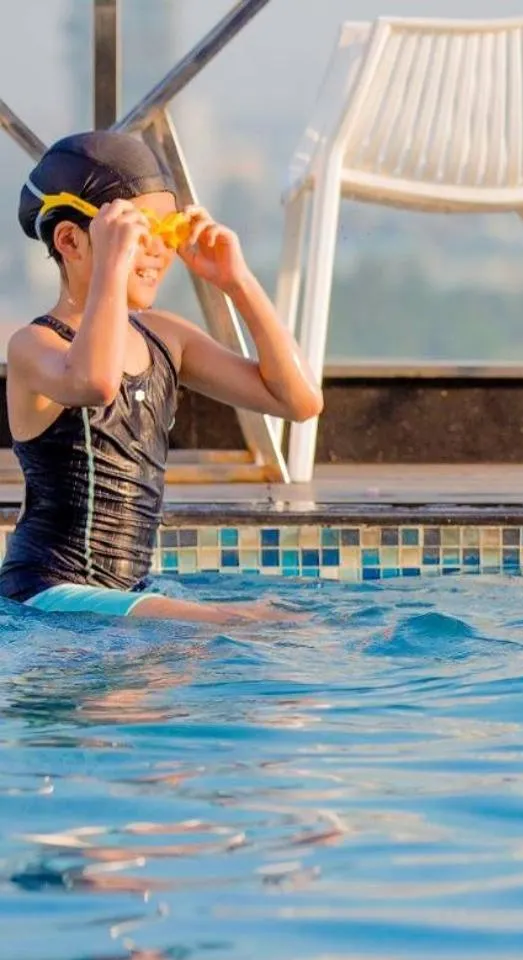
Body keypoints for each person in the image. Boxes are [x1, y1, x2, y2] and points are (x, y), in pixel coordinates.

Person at [1, 131, 323, 622]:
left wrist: (236, 281)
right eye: (137, 232)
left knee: (278, 619)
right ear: (70, 240)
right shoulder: (35, 346)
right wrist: (113, 266)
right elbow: (95, 383)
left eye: (166, 231)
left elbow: (298, 401)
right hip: (44, 591)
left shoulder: (165, 337)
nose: (157, 250)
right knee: (259, 625)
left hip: (127, 594)